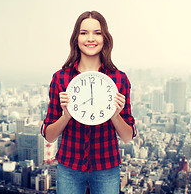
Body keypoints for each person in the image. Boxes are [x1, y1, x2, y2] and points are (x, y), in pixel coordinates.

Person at [41, 11, 137, 194]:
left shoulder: (119, 79)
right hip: (69, 166)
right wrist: (66, 116)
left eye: (97, 33)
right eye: (84, 32)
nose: (90, 38)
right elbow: (49, 135)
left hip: (106, 167)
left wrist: (115, 115)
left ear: (105, 38)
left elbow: (127, 137)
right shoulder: (60, 78)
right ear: (76, 38)